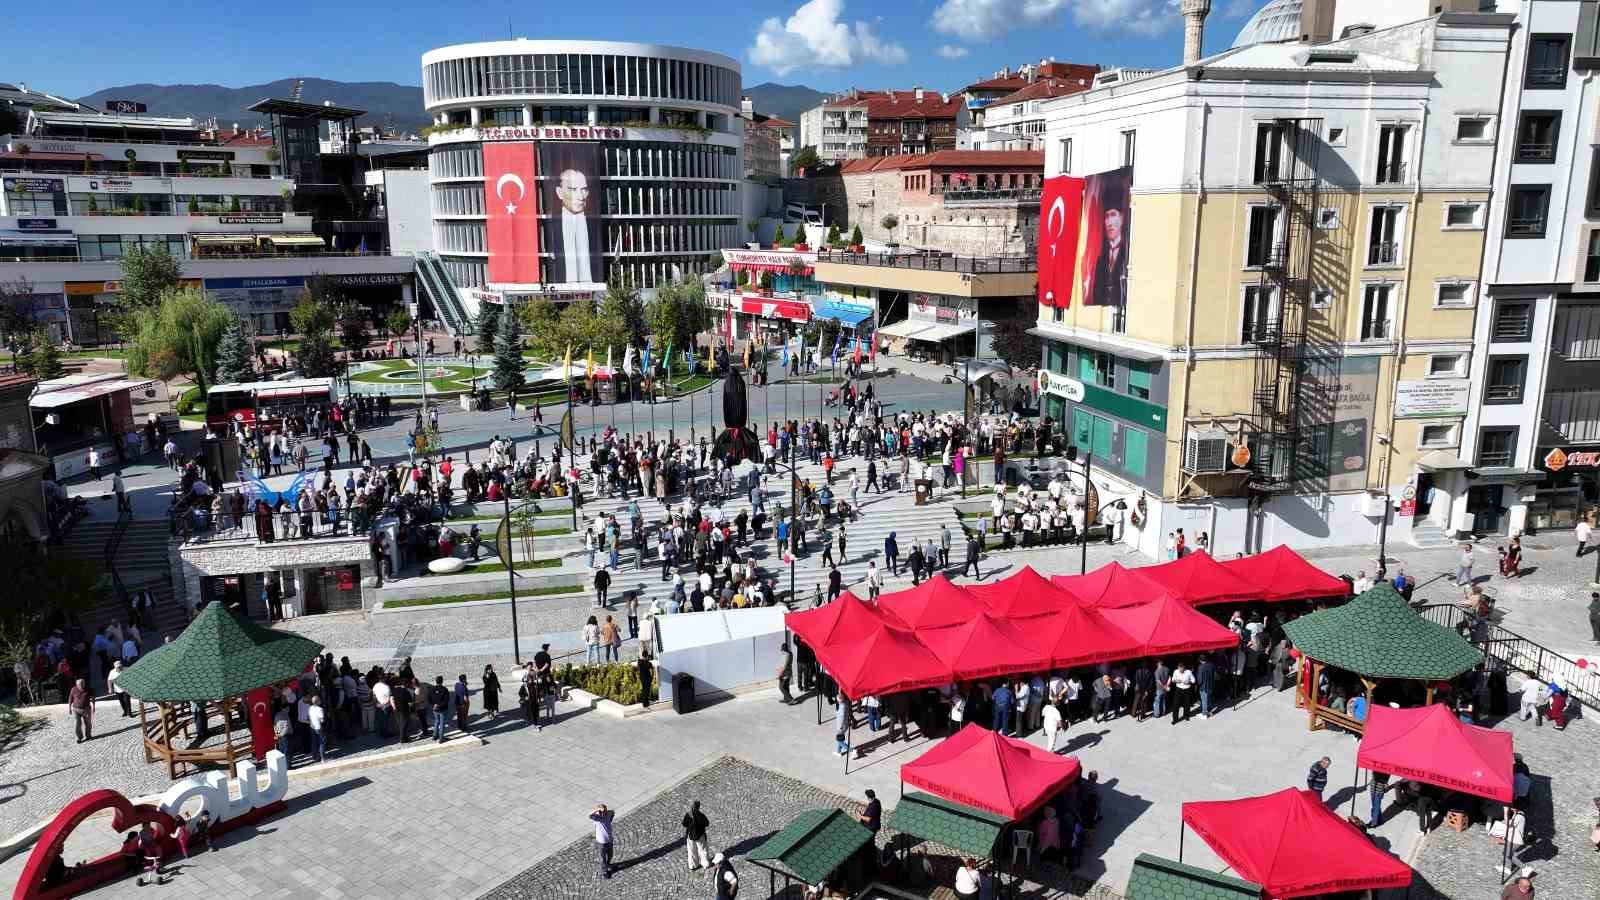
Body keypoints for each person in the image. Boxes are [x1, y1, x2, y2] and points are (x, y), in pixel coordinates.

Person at [681, 799, 713, 871]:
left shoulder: (688, 814)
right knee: (703, 850)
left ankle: (692, 865)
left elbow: (684, 823)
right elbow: (707, 823)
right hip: (700, 835)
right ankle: (706, 864)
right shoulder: (700, 815)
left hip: (690, 836)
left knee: (692, 851)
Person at [590, 804, 616, 879]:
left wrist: (607, 814)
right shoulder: (597, 818)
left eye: (605, 811)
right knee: (602, 857)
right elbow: (589, 815)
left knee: (610, 854)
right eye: (602, 811)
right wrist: (597, 810)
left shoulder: (607, 815)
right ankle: (605, 871)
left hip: (610, 840)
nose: (603, 812)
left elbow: (613, 812)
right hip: (601, 842)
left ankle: (607, 864)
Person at [68, 678, 93, 742]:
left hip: (86, 709)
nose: (81, 685)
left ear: (84, 683)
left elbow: (93, 698)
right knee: (77, 724)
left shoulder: (88, 689)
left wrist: (94, 707)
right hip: (76, 709)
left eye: (82, 683)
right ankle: (79, 737)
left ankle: (88, 736)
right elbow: (70, 698)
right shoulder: (73, 689)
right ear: (76, 684)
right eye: (80, 684)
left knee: (88, 723)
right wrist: (69, 708)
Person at [429, 675, 450, 742]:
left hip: (434, 709)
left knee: (436, 722)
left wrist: (433, 705)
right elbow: (446, 700)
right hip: (442, 709)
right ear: (442, 681)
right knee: (442, 723)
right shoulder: (444, 689)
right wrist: (439, 705)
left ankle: (435, 736)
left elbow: (428, 699)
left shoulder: (432, 689)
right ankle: (441, 738)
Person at [307, 694, 327, 762]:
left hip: (312, 727)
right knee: (322, 742)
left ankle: (315, 757)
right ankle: (322, 758)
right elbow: (322, 720)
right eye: (320, 700)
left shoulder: (310, 708)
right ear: (318, 701)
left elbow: (309, 717)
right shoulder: (320, 709)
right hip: (319, 727)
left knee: (314, 742)